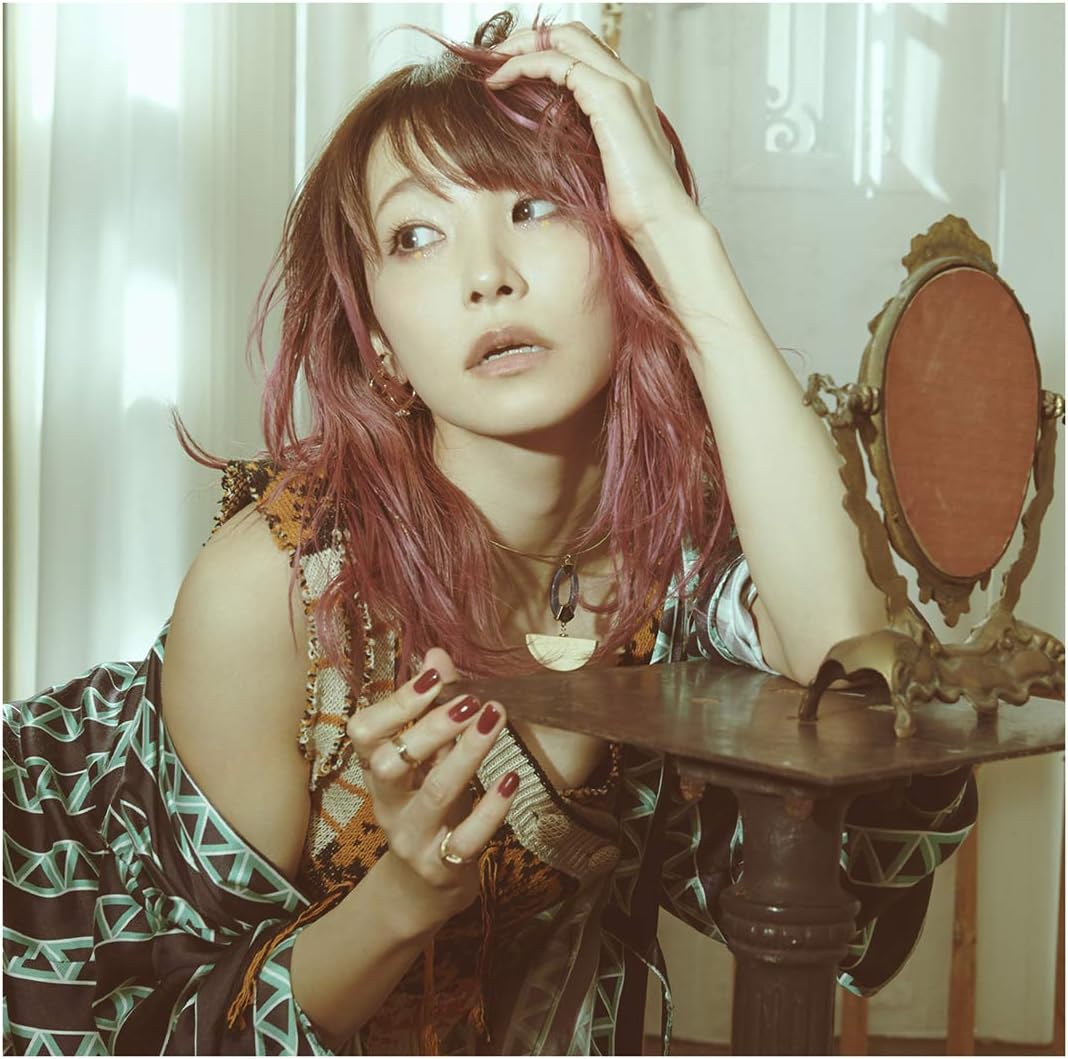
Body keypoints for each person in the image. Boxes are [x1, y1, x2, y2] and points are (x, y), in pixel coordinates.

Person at [3, 11, 977, 1056]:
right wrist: (406, 894)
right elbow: (175, 1025)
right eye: (416, 236)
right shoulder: (274, 591)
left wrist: (678, 236)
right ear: (379, 343)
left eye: (536, 206)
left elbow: (848, 667)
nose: (487, 274)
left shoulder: (675, 543)